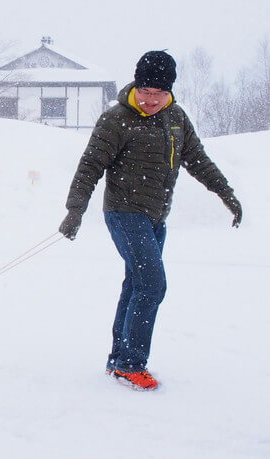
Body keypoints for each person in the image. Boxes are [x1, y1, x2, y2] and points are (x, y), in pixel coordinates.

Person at [58, 50, 242, 390]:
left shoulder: (176, 119)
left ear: (170, 91)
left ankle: (118, 359)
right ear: (136, 86)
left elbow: (198, 160)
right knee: (152, 285)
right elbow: (90, 166)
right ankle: (131, 363)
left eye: (158, 93)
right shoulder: (117, 119)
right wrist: (75, 210)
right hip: (124, 212)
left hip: (156, 216)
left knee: (136, 285)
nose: (150, 100)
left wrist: (226, 194)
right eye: (145, 92)